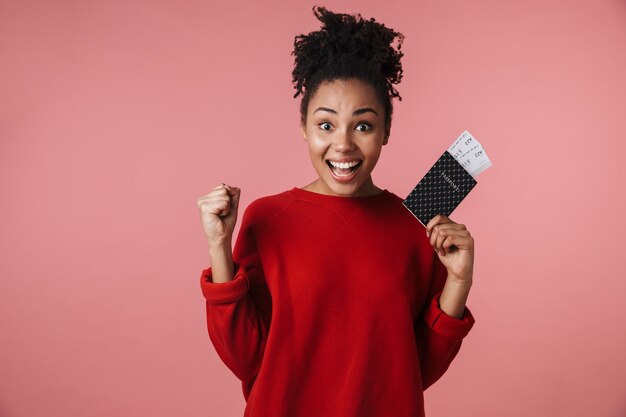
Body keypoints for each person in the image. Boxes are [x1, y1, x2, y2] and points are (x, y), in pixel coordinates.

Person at [196, 6, 476, 417]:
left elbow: (417, 371)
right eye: (326, 125)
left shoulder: (416, 224)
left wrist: (459, 281)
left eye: (362, 126)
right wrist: (219, 247)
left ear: (386, 132)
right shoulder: (266, 218)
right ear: (304, 127)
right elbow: (245, 359)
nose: (343, 145)